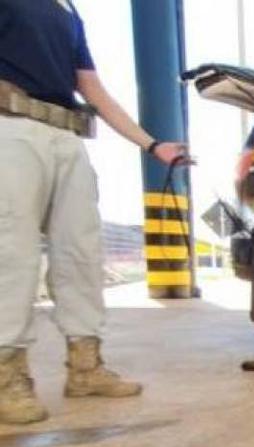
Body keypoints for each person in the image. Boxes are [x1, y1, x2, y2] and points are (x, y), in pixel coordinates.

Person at [0, 0, 188, 424]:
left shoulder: (67, 10)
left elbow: (91, 87)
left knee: (81, 254)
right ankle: (8, 377)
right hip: (9, 129)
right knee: (13, 255)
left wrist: (152, 144)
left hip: (66, 134)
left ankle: (85, 367)